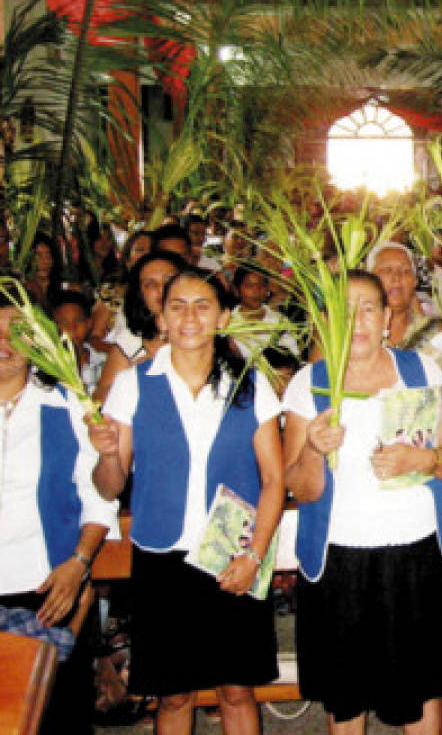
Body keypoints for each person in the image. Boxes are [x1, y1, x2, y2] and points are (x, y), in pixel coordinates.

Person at [281, 271, 442, 733]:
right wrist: (313, 449)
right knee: (346, 699)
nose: (359, 321)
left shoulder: (420, 371)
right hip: (339, 559)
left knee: (420, 689)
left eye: (369, 308)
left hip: (415, 552)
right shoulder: (308, 384)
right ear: (327, 320)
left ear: (389, 315)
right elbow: (301, 488)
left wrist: (424, 458)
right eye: (346, 311)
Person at [90, 270, 286, 733]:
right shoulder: (134, 385)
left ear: (222, 316)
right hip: (162, 559)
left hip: (232, 555)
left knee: (237, 691)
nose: (190, 317)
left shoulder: (250, 385)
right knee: (173, 695)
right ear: (161, 316)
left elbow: (274, 479)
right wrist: (106, 454)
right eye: (177, 305)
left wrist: (254, 555)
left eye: (203, 305)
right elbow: (109, 486)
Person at [0, 296, 119, 733]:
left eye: (15, 332)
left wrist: (79, 564)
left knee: (57, 718)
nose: (3, 344)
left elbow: (99, 495)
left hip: (49, 590)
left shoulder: (65, 403)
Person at [95, 250, 187, 404]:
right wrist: (132, 374)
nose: (161, 288)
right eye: (150, 284)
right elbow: (98, 399)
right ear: (140, 295)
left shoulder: (206, 334)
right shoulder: (130, 341)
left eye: (169, 280)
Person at [367, 242, 442, 351]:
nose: (396, 278)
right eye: (387, 270)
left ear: (415, 281)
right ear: (369, 279)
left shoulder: (436, 333)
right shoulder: (357, 332)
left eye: (405, 271)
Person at [230, 263, 301, 360]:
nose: (257, 291)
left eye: (262, 285)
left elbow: (293, 355)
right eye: (250, 286)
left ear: (268, 289)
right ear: (236, 290)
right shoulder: (228, 323)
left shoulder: (280, 322)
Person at [50, 291, 107, 392]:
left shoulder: (105, 364)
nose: (72, 328)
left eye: (79, 320)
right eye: (64, 322)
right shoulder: (47, 367)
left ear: (89, 323)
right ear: (52, 326)